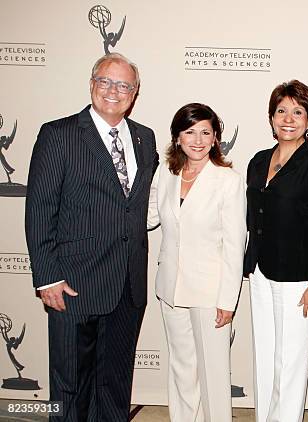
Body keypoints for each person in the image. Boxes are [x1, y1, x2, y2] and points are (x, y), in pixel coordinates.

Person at [24, 53, 158, 421]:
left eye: (124, 85)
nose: (114, 91)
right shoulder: (59, 134)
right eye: (106, 81)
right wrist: (47, 276)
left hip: (128, 286)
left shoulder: (145, 139)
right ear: (92, 84)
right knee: (71, 386)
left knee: (115, 383)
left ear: (134, 93)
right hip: (73, 284)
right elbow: (39, 210)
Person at [244, 80, 308, 422]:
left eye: (298, 112)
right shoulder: (257, 161)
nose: (288, 118)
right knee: (266, 358)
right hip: (259, 273)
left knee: (290, 364)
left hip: (299, 279)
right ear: (271, 118)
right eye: (281, 110)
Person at [147, 103, 246, 422]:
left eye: (206, 132)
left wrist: (227, 300)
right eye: (190, 132)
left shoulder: (228, 180)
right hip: (170, 289)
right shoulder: (166, 172)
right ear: (177, 138)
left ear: (216, 137)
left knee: (214, 375)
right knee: (181, 369)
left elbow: (234, 244)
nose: (198, 139)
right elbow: (146, 215)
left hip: (210, 292)